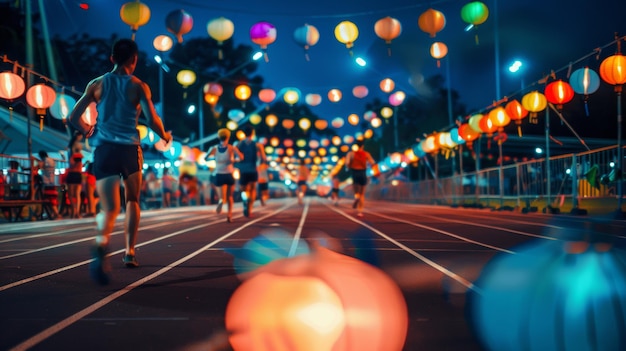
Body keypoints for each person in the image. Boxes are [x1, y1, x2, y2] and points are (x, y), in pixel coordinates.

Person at [69, 38, 171, 285]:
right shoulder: (138, 86)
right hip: (129, 150)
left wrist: (87, 129)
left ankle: (102, 242)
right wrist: (165, 135)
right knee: (132, 200)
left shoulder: (97, 84)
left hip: (104, 149)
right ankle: (129, 251)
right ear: (134, 60)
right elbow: (152, 119)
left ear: (112, 58)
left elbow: (73, 117)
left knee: (108, 207)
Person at [205, 128, 242, 222]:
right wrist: (234, 160)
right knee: (230, 196)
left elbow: (205, 158)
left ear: (219, 137)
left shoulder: (213, 148)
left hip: (218, 174)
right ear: (228, 137)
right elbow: (241, 157)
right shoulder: (231, 148)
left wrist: (214, 159)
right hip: (229, 174)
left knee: (222, 196)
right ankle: (229, 215)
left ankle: (221, 201)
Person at [234, 126, 266, 218]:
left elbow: (234, 156)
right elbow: (263, 158)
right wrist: (261, 165)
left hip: (242, 170)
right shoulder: (258, 145)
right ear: (252, 133)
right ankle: (250, 208)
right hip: (253, 169)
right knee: (252, 189)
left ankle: (245, 198)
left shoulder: (238, 144)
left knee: (243, 189)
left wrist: (237, 163)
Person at [345, 139, 376, 217]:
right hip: (363, 173)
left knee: (356, 192)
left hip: (355, 172)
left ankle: (356, 198)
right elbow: (372, 163)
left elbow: (347, 163)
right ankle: (360, 211)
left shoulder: (351, 154)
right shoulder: (366, 154)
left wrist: (349, 167)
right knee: (362, 193)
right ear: (362, 146)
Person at [37, 150, 61, 219]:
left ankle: (56, 214)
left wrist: (36, 161)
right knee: (51, 199)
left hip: (48, 183)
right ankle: (53, 214)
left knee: (49, 199)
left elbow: (41, 166)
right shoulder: (51, 160)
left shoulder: (45, 161)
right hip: (52, 182)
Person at [65, 152, 83, 218]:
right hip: (78, 175)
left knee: (70, 195)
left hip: (72, 175)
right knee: (77, 194)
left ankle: (74, 210)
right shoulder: (80, 163)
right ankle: (77, 212)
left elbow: (71, 163)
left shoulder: (72, 157)